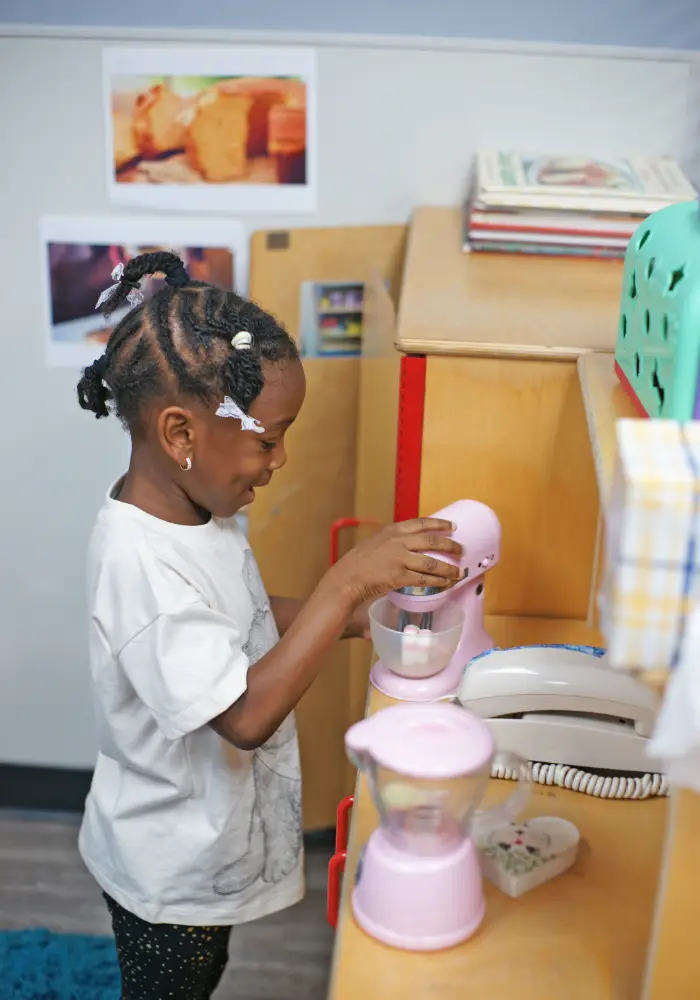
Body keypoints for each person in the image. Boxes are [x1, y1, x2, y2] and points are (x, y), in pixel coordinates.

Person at [75, 251, 461, 1000]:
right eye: (267, 438)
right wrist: (346, 579)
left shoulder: (192, 511)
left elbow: (239, 617)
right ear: (181, 434)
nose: (280, 460)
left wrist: (351, 616)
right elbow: (245, 715)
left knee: (207, 971)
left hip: (205, 841)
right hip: (167, 871)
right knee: (175, 986)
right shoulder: (142, 568)